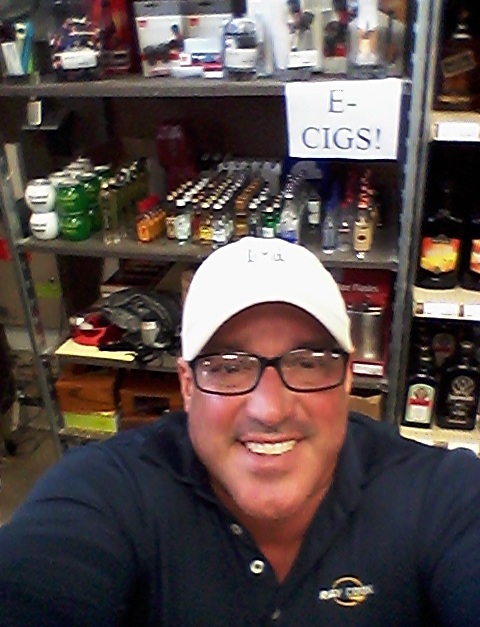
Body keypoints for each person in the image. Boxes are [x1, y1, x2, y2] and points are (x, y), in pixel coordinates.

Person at [1, 236, 480, 626]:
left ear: (349, 377)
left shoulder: (439, 496)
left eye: (308, 362)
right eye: (229, 367)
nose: (270, 410)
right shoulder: (107, 494)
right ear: (187, 386)